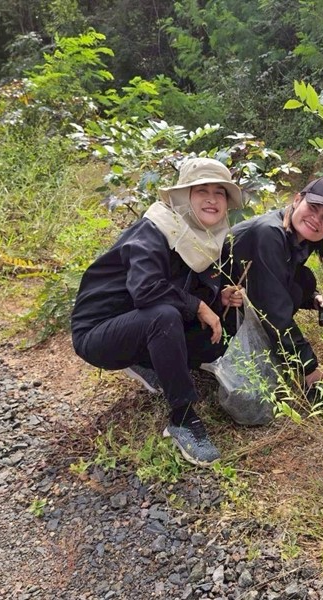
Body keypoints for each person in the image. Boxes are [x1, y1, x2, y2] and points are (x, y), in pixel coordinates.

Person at [71, 157, 244, 466]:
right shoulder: (154, 230)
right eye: (201, 190)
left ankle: (147, 362)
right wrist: (199, 306)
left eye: (219, 192)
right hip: (99, 331)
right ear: (183, 197)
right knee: (163, 316)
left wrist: (218, 299)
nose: (212, 199)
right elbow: (146, 289)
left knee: (214, 337)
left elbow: (185, 288)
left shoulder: (208, 238)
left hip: (141, 320)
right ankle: (182, 419)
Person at [225, 176, 323, 405]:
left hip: (249, 296)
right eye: (313, 208)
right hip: (219, 311)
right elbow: (273, 308)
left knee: (305, 280)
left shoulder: (300, 234)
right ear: (297, 199)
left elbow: (284, 277)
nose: (316, 220)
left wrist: (313, 299)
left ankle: (275, 345)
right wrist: (309, 367)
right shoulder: (270, 233)